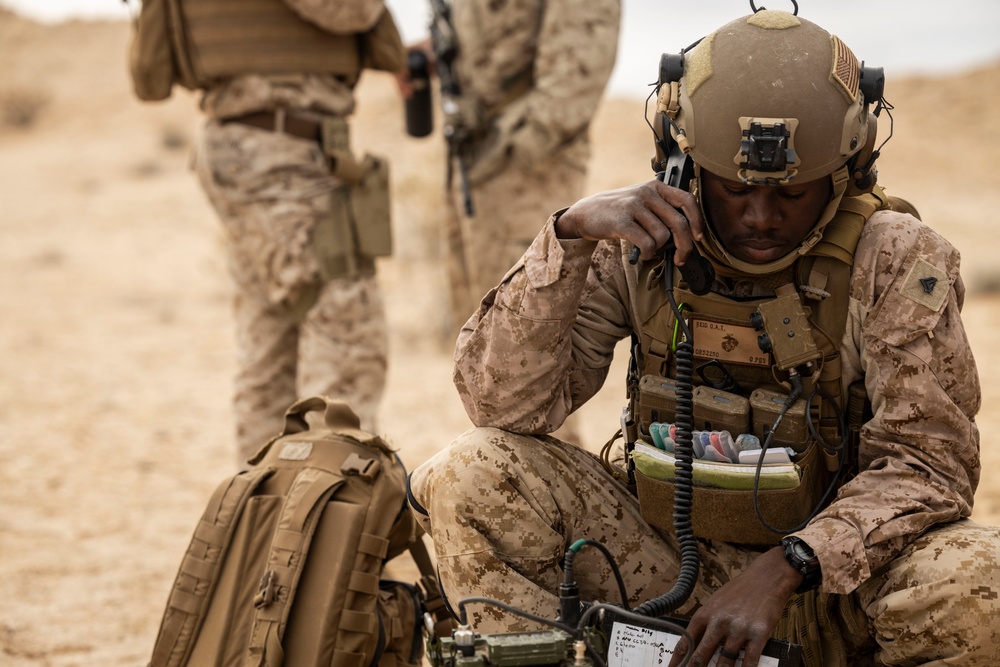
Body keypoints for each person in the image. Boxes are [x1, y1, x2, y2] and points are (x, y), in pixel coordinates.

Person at [407, 8, 1000, 667]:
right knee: (471, 470)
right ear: (684, 162)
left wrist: (790, 564)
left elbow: (930, 465)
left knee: (983, 585)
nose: (761, 216)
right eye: (736, 187)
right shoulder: (641, 240)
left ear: (847, 168)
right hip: (668, 573)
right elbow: (503, 407)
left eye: (793, 194)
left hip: (840, 586)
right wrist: (570, 235)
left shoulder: (892, 257)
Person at [129, 0, 407, 463]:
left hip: (261, 147)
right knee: (348, 345)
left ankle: (262, 519)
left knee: (269, 340)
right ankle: (326, 519)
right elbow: (350, 11)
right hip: (277, 151)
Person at [432, 0, 621, 332]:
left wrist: (519, 150)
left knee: (522, 335)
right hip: (474, 167)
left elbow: (577, 70)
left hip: (527, 177)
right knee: (477, 334)